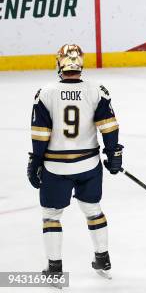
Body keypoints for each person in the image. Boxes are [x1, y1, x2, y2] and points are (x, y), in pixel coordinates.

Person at [28, 44, 123, 278]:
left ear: (60, 63)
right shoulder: (97, 90)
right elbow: (109, 127)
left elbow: (40, 133)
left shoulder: (46, 92)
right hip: (89, 164)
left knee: (51, 215)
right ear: (80, 63)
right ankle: (103, 258)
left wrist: (36, 161)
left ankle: (54, 268)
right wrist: (113, 154)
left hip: (56, 166)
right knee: (93, 210)